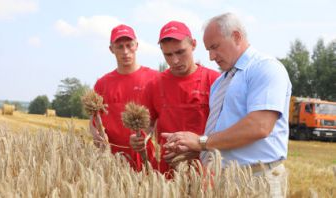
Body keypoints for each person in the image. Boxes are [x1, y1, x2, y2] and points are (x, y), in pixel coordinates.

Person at [162, 13, 291, 197]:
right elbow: (225, 131)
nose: (211, 56)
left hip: (257, 180)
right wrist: (197, 149)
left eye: (215, 47)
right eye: (208, 49)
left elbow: (259, 126)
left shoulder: (265, 68)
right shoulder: (221, 82)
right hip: (224, 180)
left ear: (236, 36)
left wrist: (201, 142)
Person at [129, 21, 220, 176]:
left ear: (193, 45)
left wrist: (199, 146)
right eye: (168, 55)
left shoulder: (215, 80)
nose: (175, 60)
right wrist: (138, 138)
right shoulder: (154, 85)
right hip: (168, 173)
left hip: (209, 171)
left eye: (180, 52)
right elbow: (147, 125)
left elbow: (229, 128)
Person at [91, 24, 159, 171]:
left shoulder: (154, 79)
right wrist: (95, 135)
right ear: (111, 49)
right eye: (120, 46)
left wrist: (146, 136)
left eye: (129, 45)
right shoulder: (102, 84)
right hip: (112, 162)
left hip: (146, 160)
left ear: (137, 45)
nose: (125, 51)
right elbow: (93, 120)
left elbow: (160, 117)